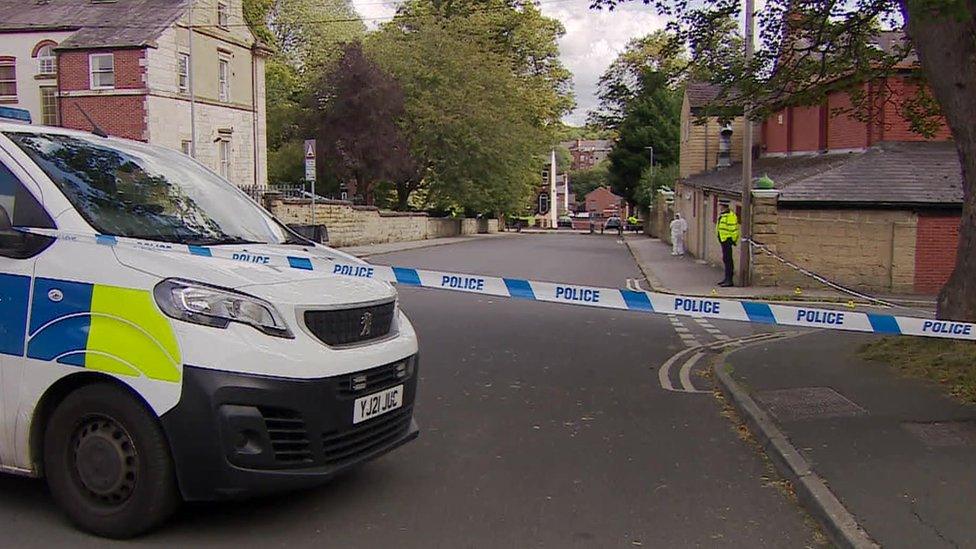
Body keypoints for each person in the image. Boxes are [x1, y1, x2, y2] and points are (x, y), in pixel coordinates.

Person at [716, 202, 739, 287]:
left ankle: (729, 280)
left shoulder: (730, 216)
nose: (720, 207)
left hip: (727, 240)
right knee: (726, 259)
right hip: (723, 240)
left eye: (721, 206)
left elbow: (733, 229)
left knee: (728, 260)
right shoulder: (723, 215)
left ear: (724, 207)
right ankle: (726, 279)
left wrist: (732, 239)